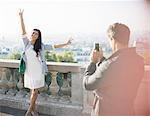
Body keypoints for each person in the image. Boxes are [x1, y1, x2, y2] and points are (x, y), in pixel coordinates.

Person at [83, 23, 144, 116]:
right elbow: (113, 76)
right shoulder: (138, 60)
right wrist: (102, 61)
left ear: (113, 39)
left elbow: (88, 84)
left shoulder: (110, 65)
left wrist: (92, 62)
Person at [19, 9, 72, 116]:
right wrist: (21, 17)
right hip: (29, 72)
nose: (33, 34)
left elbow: (54, 46)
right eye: (33, 33)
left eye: (36, 34)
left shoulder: (41, 46)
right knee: (32, 92)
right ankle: (33, 110)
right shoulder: (27, 44)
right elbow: (23, 31)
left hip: (38, 71)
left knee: (35, 91)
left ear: (38, 36)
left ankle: (28, 112)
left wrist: (66, 43)